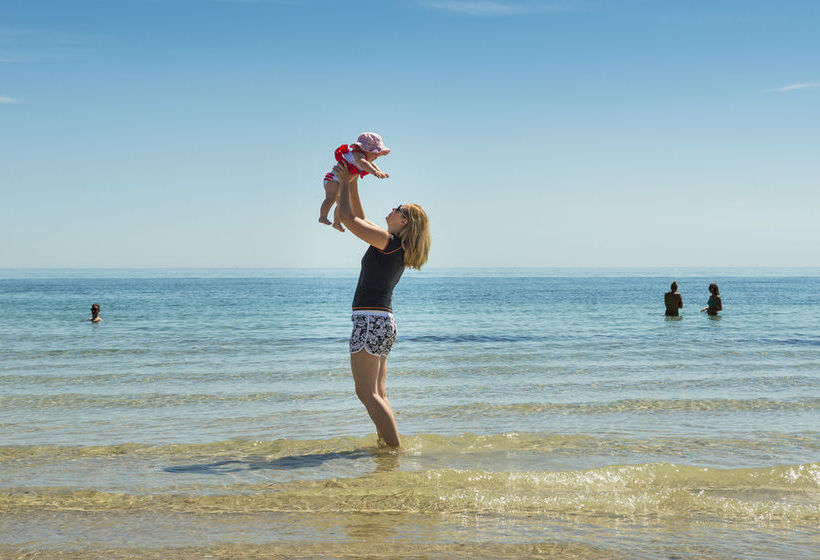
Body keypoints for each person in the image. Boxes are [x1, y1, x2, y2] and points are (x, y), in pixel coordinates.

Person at [332, 160, 430, 448]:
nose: (392, 209)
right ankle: (387, 448)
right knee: (378, 392)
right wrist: (352, 181)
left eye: (397, 209)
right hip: (382, 321)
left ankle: (394, 450)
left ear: (404, 222)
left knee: (366, 393)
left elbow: (350, 221)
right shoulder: (392, 244)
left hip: (371, 320)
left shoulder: (389, 243)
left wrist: (346, 183)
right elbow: (359, 217)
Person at [319, 132, 390, 232]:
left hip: (343, 183)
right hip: (333, 179)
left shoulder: (364, 158)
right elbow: (364, 163)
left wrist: (380, 172)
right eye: (374, 153)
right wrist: (374, 172)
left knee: (342, 205)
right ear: (364, 149)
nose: (376, 156)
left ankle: (337, 223)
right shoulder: (357, 155)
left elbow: (371, 165)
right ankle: (322, 216)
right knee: (331, 198)